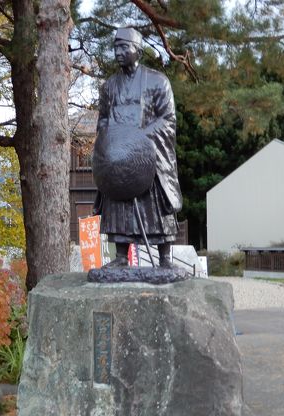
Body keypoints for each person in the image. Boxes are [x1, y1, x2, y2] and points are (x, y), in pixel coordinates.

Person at [93, 27, 182, 268]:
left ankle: (165, 258)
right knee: (119, 205)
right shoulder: (109, 86)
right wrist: (111, 139)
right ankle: (121, 256)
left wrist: (140, 138)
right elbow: (102, 119)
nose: (118, 52)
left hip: (147, 155)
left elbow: (167, 118)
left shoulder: (157, 81)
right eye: (115, 47)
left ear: (138, 51)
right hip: (119, 157)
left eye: (124, 47)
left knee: (156, 205)